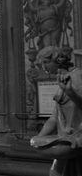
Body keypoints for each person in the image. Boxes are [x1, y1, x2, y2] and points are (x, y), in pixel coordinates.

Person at [30, 46, 82, 176]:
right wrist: (40, 137)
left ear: (58, 60)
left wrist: (71, 92)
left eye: (46, 62)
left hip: (77, 137)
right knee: (55, 172)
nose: (43, 67)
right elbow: (54, 117)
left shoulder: (77, 76)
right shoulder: (62, 78)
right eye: (41, 63)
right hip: (65, 137)